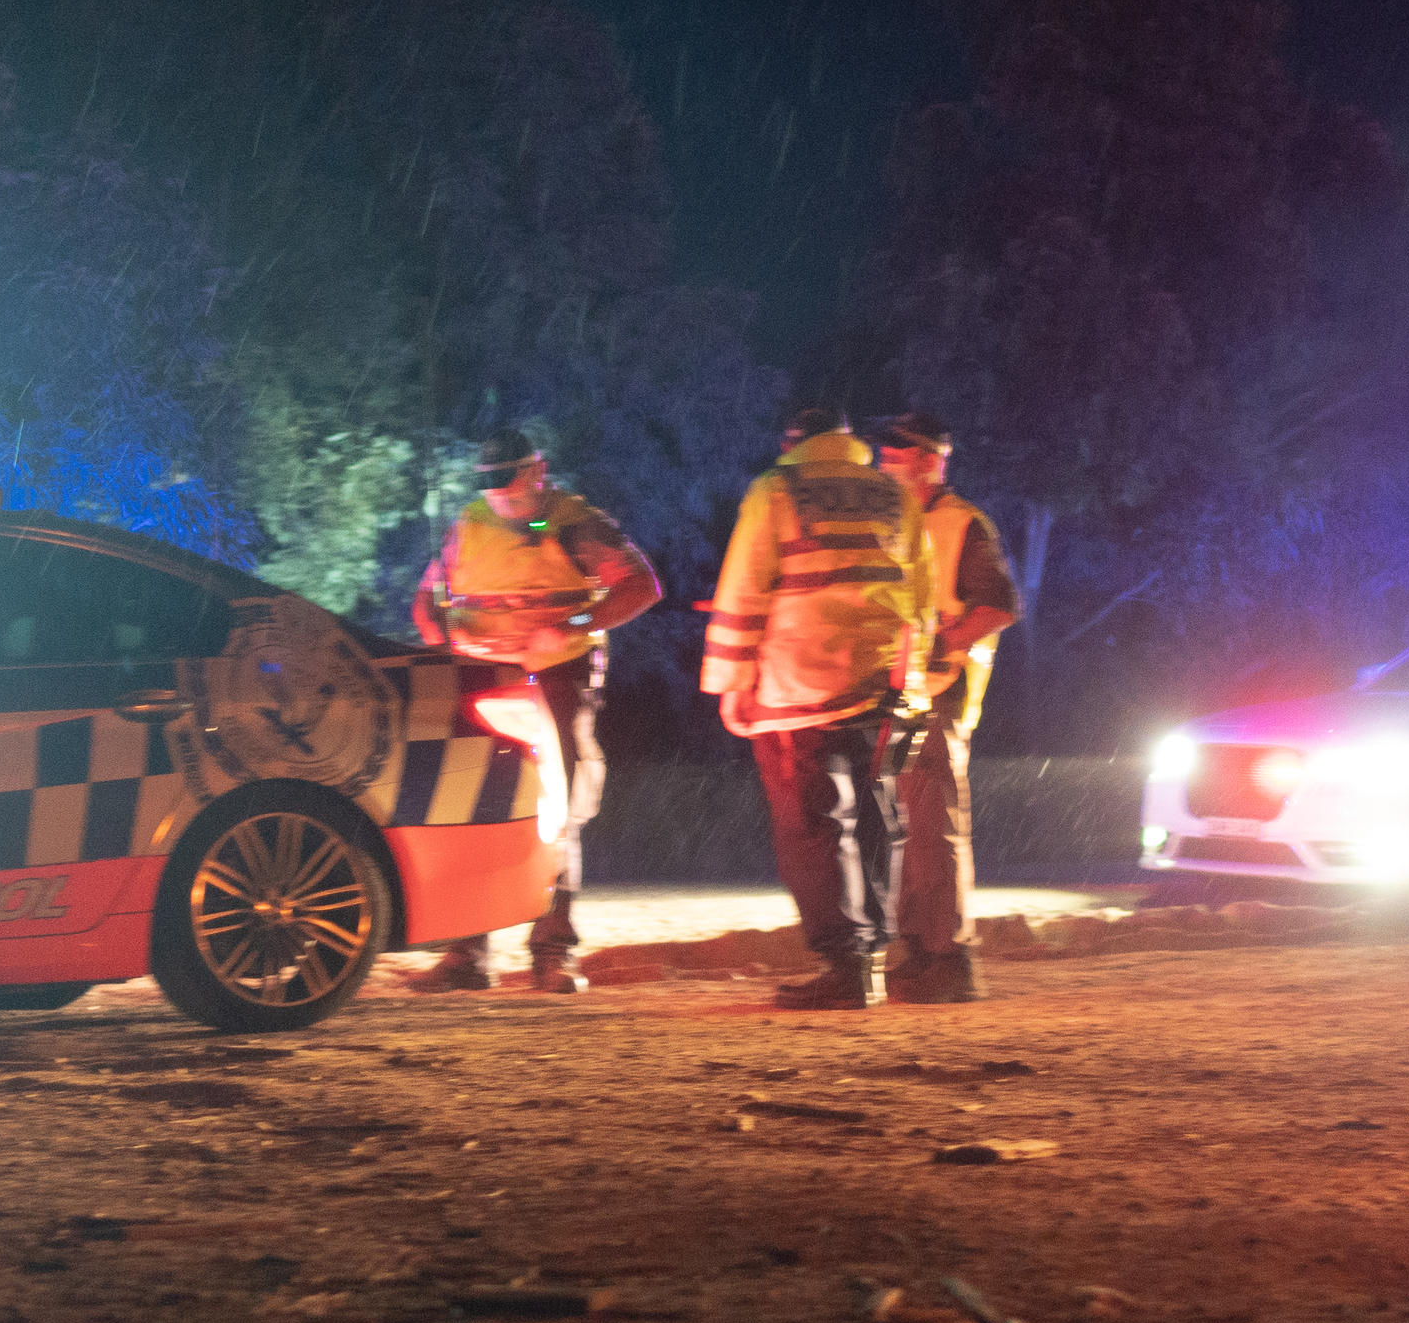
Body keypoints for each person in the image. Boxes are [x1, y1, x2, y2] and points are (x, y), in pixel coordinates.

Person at [403, 428, 660, 991]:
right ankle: (467, 952)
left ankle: (552, 950)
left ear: (537, 470)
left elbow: (641, 587)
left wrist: (571, 626)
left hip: (557, 676)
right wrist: (438, 646)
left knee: (555, 808)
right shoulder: (469, 524)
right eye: (490, 481)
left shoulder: (579, 523)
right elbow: (427, 600)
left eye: (510, 479)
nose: (500, 493)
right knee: (467, 807)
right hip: (478, 679)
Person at [701, 401, 928, 1009]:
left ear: (793, 442)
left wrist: (731, 678)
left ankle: (843, 963)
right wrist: (914, 680)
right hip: (878, 680)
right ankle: (874, 956)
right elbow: (920, 595)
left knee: (811, 826)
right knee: (877, 816)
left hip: (794, 686)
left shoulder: (778, 489)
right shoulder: (891, 492)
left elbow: (746, 586)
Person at [870, 412, 1023, 1001]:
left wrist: (938, 646)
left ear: (933, 461)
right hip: (901, 694)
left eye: (899, 457)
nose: (887, 464)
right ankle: (920, 952)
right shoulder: (896, 523)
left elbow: (999, 607)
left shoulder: (962, 524)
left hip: (939, 694)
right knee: (909, 828)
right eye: (883, 457)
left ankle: (948, 959)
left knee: (933, 827)